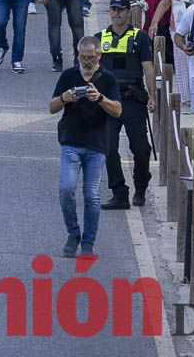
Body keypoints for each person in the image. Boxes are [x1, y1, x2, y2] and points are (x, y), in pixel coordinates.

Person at [48, 36, 122, 257]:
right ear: (77, 55)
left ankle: (88, 242)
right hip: (71, 141)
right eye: (83, 57)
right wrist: (64, 97)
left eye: (91, 57)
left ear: (99, 55)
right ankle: (73, 232)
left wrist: (99, 98)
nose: (87, 61)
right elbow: (51, 107)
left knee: (91, 195)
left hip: (97, 144)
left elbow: (118, 111)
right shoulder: (69, 75)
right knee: (66, 190)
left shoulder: (108, 79)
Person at [99, 0, 157, 210]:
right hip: (108, 101)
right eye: (113, 9)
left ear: (128, 12)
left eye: (121, 10)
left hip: (133, 99)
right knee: (108, 147)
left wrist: (152, 96)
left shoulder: (140, 38)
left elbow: (148, 67)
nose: (117, 13)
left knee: (141, 149)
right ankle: (119, 193)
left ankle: (141, 186)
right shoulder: (100, 38)